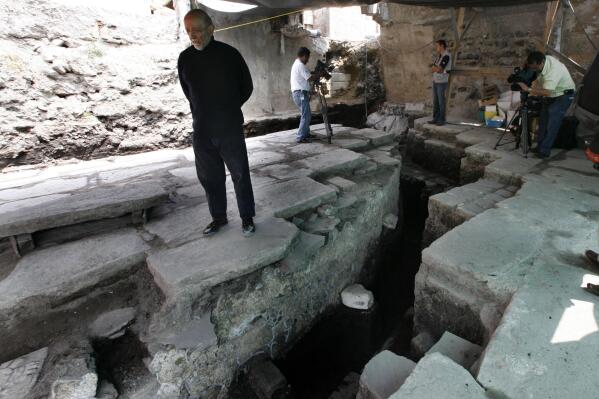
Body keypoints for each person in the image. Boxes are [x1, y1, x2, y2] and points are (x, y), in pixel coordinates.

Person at [177, 9, 256, 237]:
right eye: (189, 31)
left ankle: (247, 217)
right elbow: (188, 91)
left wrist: (227, 109)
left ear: (211, 29)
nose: (193, 36)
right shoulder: (185, 58)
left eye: (198, 30)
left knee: (239, 173)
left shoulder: (230, 55)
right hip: (202, 129)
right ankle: (218, 218)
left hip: (229, 127)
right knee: (209, 177)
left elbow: (246, 87)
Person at [517, 51, 576, 159]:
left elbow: (547, 92)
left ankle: (545, 151)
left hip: (564, 95)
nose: (534, 70)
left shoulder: (553, 71)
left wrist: (529, 89)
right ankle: (540, 146)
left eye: (535, 68)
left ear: (541, 63)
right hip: (552, 93)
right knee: (543, 120)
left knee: (552, 123)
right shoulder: (543, 59)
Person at [290, 47, 317, 143]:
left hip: (300, 93)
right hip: (300, 94)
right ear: (305, 56)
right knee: (306, 115)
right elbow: (310, 78)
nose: (308, 60)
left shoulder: (298, 64)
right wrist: (320, 74)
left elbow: (306, 77)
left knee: (306, 115)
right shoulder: (300, 65)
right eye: (308, 58)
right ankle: (300, 137)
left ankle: (306, 134)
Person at [429, 40, 452, 126]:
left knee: (441, 101)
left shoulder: (446, 56)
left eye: (437, 46)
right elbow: (433, 68)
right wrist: (437, 69)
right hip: (436, 81)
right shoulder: (439, 56)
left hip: (442, 82)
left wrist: (438, 69)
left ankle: (442, 119)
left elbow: (439, 69)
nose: (436, 48)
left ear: (442, 46)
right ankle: (436, 118)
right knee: (436, 101)